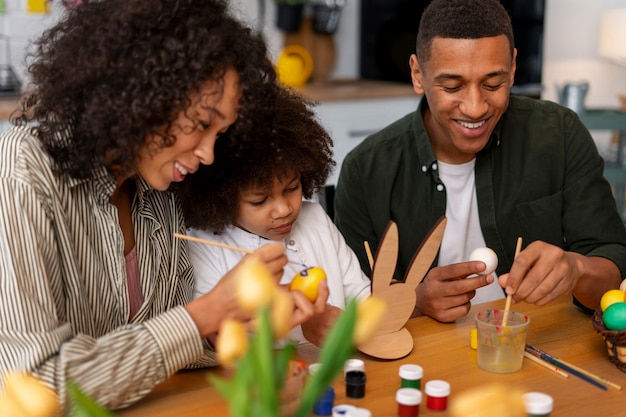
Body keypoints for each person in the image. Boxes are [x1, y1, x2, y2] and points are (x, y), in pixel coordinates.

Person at [0, 0, 324, 410]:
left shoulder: (160, 191)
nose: (208, 154)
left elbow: (157, 348)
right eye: (202, 125)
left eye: (219, 134)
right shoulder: (21, 174)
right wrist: (204, 314)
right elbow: (36, 385)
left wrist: (246, 320)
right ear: (143, 94)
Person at [334, 0, 626, 323]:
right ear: (418, 74)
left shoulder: (560, 135)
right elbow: (350, 307)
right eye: (453, 86)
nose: (475, 108)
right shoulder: (364, 171)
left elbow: (614, 267)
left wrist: (577, 269)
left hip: (537, 351)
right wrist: (415, 300)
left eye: (492, 84)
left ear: (513, 68)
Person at [175, 87, 371, 347]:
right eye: (259, 200)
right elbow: (216, 342)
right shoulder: (203, 247)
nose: (283, 210)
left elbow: (361, 298)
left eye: (292, 188)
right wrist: (303, 325)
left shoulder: (315, 219)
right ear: (221, 198)